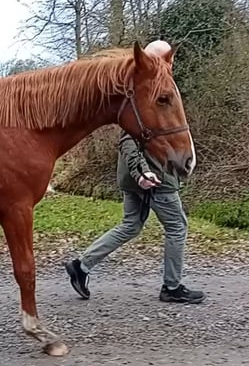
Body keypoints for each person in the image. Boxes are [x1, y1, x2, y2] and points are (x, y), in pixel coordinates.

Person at [64, 129, 206, 304]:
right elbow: (128, 142)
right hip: (155, 180)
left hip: (138, 180)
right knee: (177, 227)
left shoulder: (153, 115)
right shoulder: (148, 113)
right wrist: (141, 173)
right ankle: (172, 288)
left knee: (131, 225)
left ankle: (81, 266)